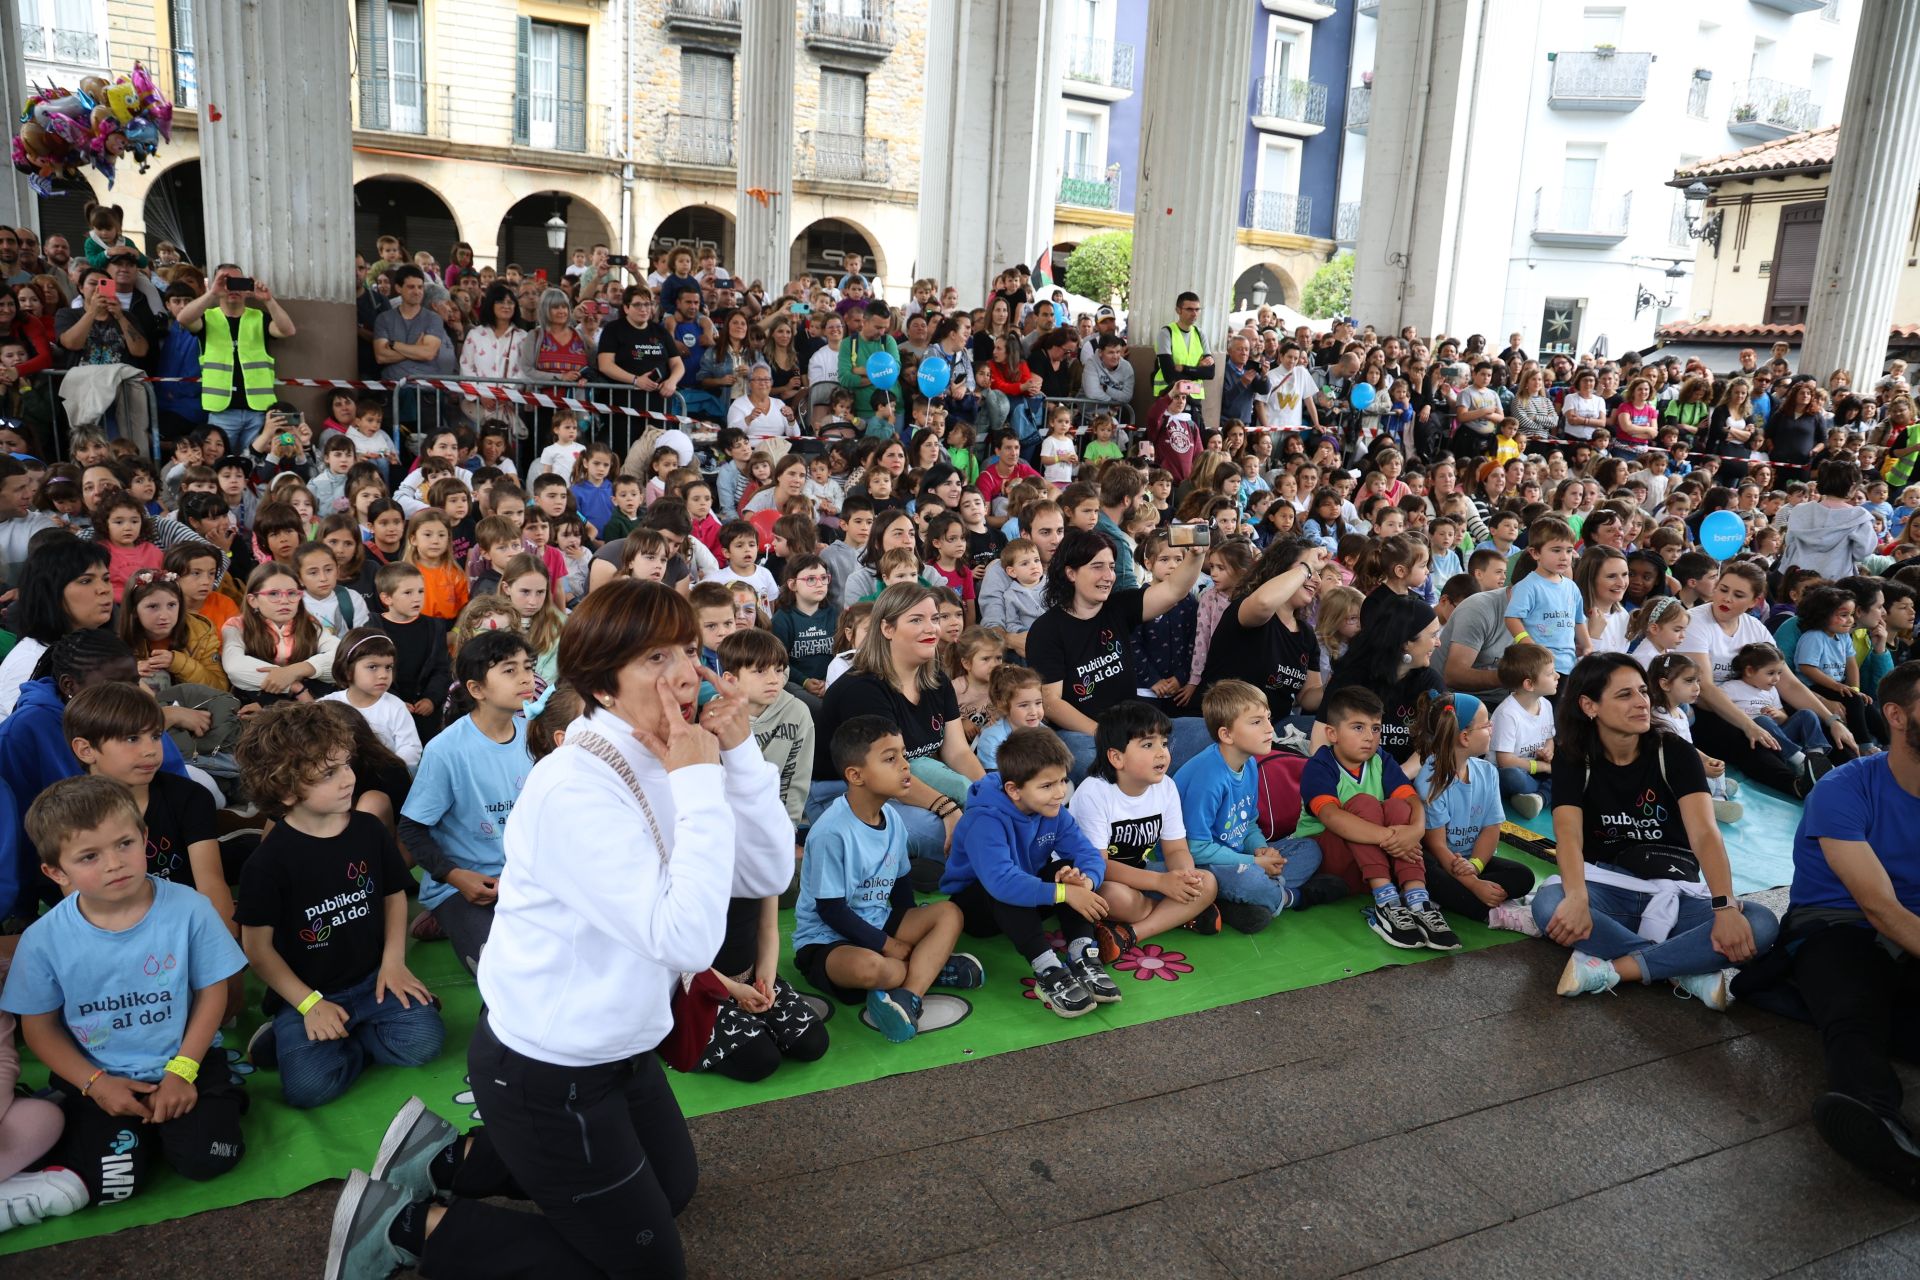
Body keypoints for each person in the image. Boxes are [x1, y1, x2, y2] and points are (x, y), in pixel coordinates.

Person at [323, 580, 791, 1278]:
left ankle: (450, 1159)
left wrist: (741, 754)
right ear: (602, 685)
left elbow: (769, 871)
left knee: (673, 1193)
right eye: (657, 660)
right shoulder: (576, 786)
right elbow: (686, 940)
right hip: (549, 1066)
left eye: (691, 651)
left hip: (621, 1041)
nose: (689, 676)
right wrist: (699, 780)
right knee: (646, 1270)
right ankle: (404, 1225)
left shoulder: (679, 750)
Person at [0, 776, 248, 1208]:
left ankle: (218, 1096)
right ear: (56, 872)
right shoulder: (42, 940)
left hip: (187, 1062)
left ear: (144, 838)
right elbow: (39, 1030)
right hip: (100, 1077)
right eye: (90, 856)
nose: (115, 863)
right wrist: (95, 1084)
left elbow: (213, 994)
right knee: (115, 1185)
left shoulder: (189, 908)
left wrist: (183, 1071)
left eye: (124, 844)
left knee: (208, 1159)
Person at [1531, 653, 1780, 1009]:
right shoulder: (1574, 755)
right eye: (1624, 695)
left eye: (1643, 692)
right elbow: (1568, 834)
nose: (1642, 703)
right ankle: (1681, 966)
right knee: (1550, 904)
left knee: (1760, 922)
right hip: (1610, 887)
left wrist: (1724, 908)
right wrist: (1577, 898)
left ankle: (1617, 968)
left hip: (1677, 891)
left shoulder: (1674, 751)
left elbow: (1705, 834)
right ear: (1589, 705)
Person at [1760, 662, 1920, 1195]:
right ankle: (1881, 1127)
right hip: (1838, 922)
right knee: (1852, 1007)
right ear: (1895, 716)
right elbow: (1880, 910)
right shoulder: (1845, 789)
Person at [236, 702, 443, 1105]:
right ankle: (290, 1031)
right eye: (329, 774)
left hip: (372, 981)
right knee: (309, 1088)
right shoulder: (267, 863)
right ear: (285, 787)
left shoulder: (367, 829)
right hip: (307, 993)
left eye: (346, 765)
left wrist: (394, 963)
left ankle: (347, 1035)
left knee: (424, 1043)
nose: (348, 778)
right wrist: (308, 1005)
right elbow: (257, 950)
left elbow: (393, 895)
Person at [794, 715, 978, 1043]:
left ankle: (908, 996)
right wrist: (891, 946)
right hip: (828, 940)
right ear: (855, 775)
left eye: (903, 755)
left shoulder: (891, 817)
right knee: (876, 968)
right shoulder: (831, 832)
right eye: (890, 759)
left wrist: (906, 930)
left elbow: (902, 888)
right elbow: (831, 911)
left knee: (950, 913)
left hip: (878, 922)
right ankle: (928, 968)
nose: (905, 765)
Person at [941, 726, 1122, 1019]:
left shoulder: (1054, 811)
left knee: (1065, 871)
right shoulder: (984, 820)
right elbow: (1001, 882)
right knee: (1005, 885)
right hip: (978, 909)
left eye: (1063, 780)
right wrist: (1066, 893)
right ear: (1014, 789)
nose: (1060, 792)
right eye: (1047, 785)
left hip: (1026, 894)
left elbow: (1089, 854)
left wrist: (1083, 881)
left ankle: (1082, 954)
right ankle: (1047, 968)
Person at [809, 584, 984, 875]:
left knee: (991, 816)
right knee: (953, 830)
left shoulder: (936, 680)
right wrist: (947, 808)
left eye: (935, 618)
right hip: (845, 792)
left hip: (908, 780)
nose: (931, 628)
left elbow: (957, 752)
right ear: (887, 629)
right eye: (916, 620)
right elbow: (884, 773)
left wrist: (991, 797)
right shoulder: (863, 689)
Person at [395, 630, 537, 973]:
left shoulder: (537, 732)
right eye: (509, 670)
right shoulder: (446, 750)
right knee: (500, 969)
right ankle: (445, 916)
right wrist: (456, 877)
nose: (525, 678)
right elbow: (412, 831)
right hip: (466, 887)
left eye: (528, 667)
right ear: (476, 689)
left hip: (526, 881)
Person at [1026, 528, 1210, 779]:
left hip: (1136, 725)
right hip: (1085, 735)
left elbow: (1174, 591)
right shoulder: (1046, 630)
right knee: (1091, 764)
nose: (1108, 576)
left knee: (1212, 732)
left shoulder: (1119, 606)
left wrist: (1196, 554)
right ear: (1071, 573)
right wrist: (1103, 732)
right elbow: (1051, 703)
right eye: (1097, 567)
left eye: (1111, 567)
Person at [1175, 679, 1326, 935]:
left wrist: (1261, 849)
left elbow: (1248, 822)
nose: (1269, 728)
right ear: (1226, 734)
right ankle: (1290, 898)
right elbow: (1196, 850)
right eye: (1256, 722)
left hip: (1238, 856)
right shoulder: (1209, 778)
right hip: (1200, 865)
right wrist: (1254, 862)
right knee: (1247, 880)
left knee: (1309, 850)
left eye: (1268, 718)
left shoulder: (1250, 763)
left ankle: (1229, 904)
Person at [1069, 700, 1221, 948]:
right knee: (1113, 897)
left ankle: (1131, 934)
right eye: (1148, 745)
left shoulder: (1165, 787)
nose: (1162, 752)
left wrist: (1185, 875)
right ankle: (1179, 914)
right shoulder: (1093, 794)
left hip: (1143, 874)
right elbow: (1099, 865)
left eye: (1163, 743)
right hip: (1094, 878)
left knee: (1206, 883)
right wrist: (1162, 883)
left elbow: (1175, 849)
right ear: (1117, 758)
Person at [1409, 692, 1538, 934]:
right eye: (1487, 724)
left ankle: (1459, 897)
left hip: (1470, 860)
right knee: (1425, 869)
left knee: (1524, 876)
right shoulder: (1430, 779)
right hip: (1442, 860)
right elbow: (1436, 845)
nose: (1492, 727)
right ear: (1465, 737)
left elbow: (1491, 829)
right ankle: (1492, 912)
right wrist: (1474, 884)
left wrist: (1476, 867)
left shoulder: (1487, 772)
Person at [174, 267, 297, 455]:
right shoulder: (208, 317)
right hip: (222, 410)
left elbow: (288, 330)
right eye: (227, 282)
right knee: (219, 463)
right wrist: (212, 293)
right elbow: (182, 318)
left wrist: (268, 300)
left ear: (247, 288)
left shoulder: (258, 317)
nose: (233, 289)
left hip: (257, 409)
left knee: (257, 462)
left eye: (239, 283)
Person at [0, 535, 115, 716]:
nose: (104, 589)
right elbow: (36, 738)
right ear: (51, 592)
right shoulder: (29, 664)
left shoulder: (94, 646)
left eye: (106, 578)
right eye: (86, 581)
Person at [1490, 642, 1558, 818]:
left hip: (1535, 771)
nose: (1557, 676)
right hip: (1511, 772)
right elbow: (1505, 761)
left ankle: (1537, 798)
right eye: (1550, 673)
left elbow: (1549, 737)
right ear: (1529, 684)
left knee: (1572, 763)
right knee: (1511, 777)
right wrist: (1543, 766)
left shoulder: (1546, 705)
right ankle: (1542, 794)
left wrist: (1548, 751)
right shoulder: (1508, 713)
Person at [1151, 291, 1214, 401]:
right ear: (1178, 310)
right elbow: (1169, 375)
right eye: (1189, 309)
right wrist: (1198, 370)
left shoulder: (1200, 334)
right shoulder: (1166, 333)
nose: (1194, 313)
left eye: (1197, 309)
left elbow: (1210, 373)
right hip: (1170, 395)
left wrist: (1184, 368)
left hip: (1194, 398)